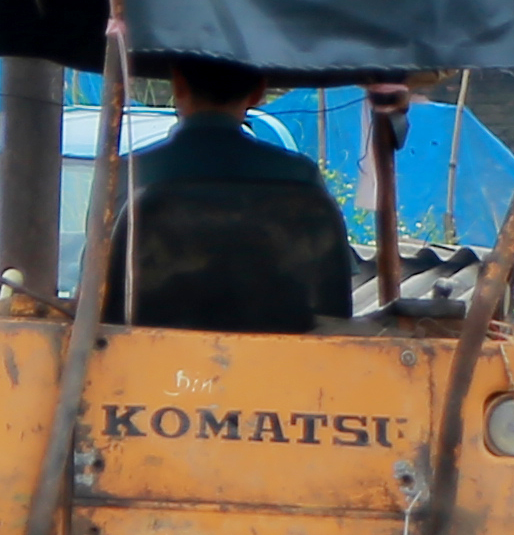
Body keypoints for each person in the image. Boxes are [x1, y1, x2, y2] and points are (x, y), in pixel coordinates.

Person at [117, 61, 360, 335]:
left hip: (148, 363)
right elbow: (332, 303)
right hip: (289, 365)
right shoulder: (300, 178)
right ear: (259, 92)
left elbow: (101, 289)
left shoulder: (131, 173)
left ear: (178, 84)